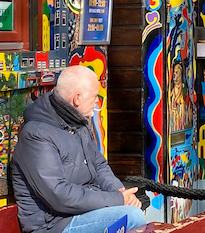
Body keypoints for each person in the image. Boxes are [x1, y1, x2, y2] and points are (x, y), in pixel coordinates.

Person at [12, 66, 146, 233]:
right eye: (95, 96)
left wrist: (120, 193)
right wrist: (116, 199)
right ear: (77, 99)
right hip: (54, 225)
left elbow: (99, 166)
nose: (97, 102)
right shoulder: (36, 135)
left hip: (84, 212)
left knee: (134, 211)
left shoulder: (79, 123)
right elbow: (59, 195)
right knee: (132, 217)